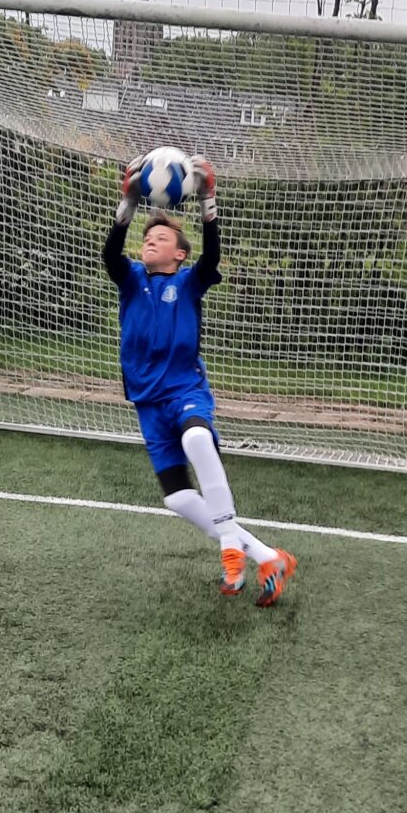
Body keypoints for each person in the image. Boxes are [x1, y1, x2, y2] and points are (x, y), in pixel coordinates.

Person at [102, 153, 298, 606]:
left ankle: (230, 547)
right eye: (147, 237)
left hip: (184, 390)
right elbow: (111, 253)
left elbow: (212, 257)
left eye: (161, 238)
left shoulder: (191, 281)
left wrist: (209, 201)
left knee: (196, 439)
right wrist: (127, 204)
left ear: (180, 253)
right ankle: (269, 557)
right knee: (177, 499)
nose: (150, 242)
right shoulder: (130, 279)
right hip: (147, 402)